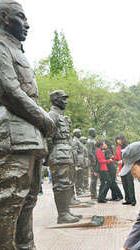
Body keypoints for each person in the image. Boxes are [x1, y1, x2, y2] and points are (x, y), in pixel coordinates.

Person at [0, 0, 56, 248]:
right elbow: (10, 91)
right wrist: (45, 119)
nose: (27, 24)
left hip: (29, 133)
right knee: (8, 201)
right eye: (22, 17)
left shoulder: (17, 50)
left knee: (28, 200)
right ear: (4, 17)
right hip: (9, 132)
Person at [47, 90, 81, 223]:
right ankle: (62, 215)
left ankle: (66, 212)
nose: (66, 102)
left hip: (66, 154)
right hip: (58, 154)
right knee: (60, 185)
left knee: (66, 184)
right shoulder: (51, 116)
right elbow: (48, 138)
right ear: (55, 101)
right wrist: (49, 156)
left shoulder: (61, 117)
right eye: (63, 99)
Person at [114, 133, 136, 206]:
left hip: (128, 167)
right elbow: (117, 157)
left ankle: (133, 200)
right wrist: (112, 158)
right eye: (117, 140)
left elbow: (131, 156)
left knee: (130, 184)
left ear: (123, 139)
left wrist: (123, 161)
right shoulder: (117, 148)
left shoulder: (128, 146)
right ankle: (128, 199)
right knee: (124, 184)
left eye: (119, 140)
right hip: (122, 168)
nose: (118, 141)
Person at [95, 139, 116, 203]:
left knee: (103, 183)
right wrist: (109, 161)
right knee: (109, 181)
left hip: (102, 168)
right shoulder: (98, 150)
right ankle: (101, 197)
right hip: (102, 169)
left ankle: (101, 198)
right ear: (101, 144)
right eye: (104, 143)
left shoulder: (100, 150)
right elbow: (100, 161)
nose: (105, 144)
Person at [88, 128, 98, 199]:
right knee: (93, 178)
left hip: (95, 161)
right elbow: (90, 153)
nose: (96, 133)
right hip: (93, 162)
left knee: (95, 178)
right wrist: (94, 162)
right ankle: (93, 194)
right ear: (91, 133)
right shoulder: (90, 141)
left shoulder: (93, 140)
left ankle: (94, 193)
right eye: (95, 132)